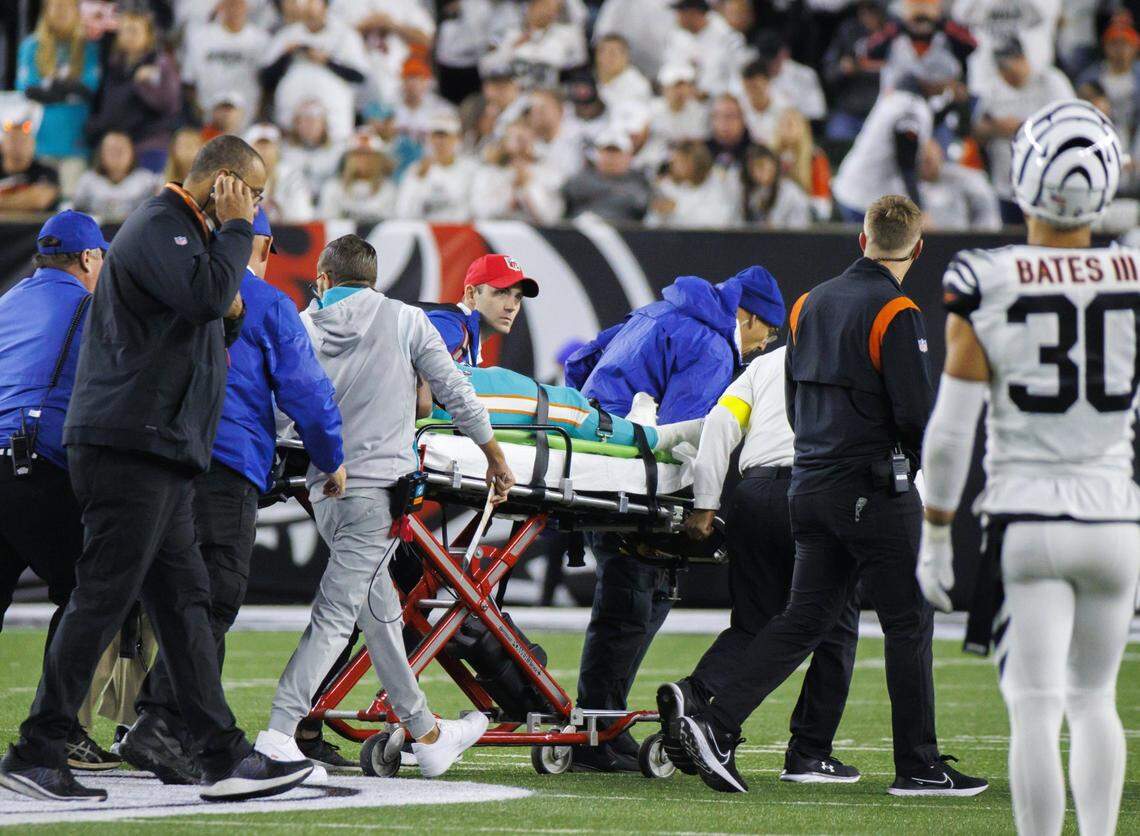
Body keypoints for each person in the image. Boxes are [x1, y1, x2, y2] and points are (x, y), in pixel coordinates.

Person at [0, 135, 316, 803]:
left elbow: (205, 323)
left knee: (184, 603)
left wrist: (227, 305)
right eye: (253, 194)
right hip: (129, 445)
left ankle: (221, 753)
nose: (257, 208)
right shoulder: (159, 223)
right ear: (225, 182)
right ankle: (38, 748)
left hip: (161, 448)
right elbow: (206, 300)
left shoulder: (188, 240)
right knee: (104, 595)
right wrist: (234, 237)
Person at [674, 195, 987, 799]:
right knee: (908, 620)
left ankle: (715, 721)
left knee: (805, 619)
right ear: (916, 250)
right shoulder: (897, 310)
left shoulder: (808, 303)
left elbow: (795, 395)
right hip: (871, 485)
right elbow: (915, 413)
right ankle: (919, 766)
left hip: (809, 485)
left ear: (860, 239)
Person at [919, 99, 1138, 836]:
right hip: (1114, 516)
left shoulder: (989, 278)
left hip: (1029, 518)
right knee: (1096, 699)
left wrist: (938, 532)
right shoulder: (1134, 271)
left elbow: (952, 430)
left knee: (1036, 706)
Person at [252, 234, 515, 779]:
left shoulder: (302, 324)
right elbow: (455, 393)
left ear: (323, 279)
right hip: (379, 495)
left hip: (324, 488)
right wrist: (494, 456)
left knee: (380, 615)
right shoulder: (405, 319)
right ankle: (279, 731)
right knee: (336, 614)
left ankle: (427, 734)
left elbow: (282, 408)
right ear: (375, 279)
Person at [121, 207, 344, 785]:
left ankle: (175, 734)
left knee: (170, 597)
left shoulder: (167, 287)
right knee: (211, 600)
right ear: (261, 245)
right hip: (224, 465)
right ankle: (160, 722)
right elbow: (307, 391)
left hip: (157, 460)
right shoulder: (266, 303)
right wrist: (331, 458)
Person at [563, 266, 784, 772]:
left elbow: (581, 363)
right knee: (638, 597)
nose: (760, 347)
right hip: (626, 475)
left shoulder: (658, 310)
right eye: (763, 332)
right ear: (745, 315)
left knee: (629, 596)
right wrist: (691, 505)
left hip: (594, 458)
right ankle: (597, 732)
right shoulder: (710, 344)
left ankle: (601, 723)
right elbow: (685, 434)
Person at [659, 292, 862, 785]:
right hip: (815, 491)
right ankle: (803, 750)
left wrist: (707, 503)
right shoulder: (856, 362)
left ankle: (697, 691)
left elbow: (719, 430)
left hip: (751, 496)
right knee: (832, 622)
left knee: (754, 621)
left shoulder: (764, 366)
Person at [0, 211, 118, 772]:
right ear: (90, 259)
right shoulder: (91, 305)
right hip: (38, 466)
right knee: (90, 592)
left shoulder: (9, 300)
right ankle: (59, 728)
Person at [973, 37, 1074, 225]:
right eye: (1002, 68)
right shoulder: (993, 88)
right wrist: (995, 128)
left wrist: (1021, 127)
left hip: (1049, 184)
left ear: (1023, 59)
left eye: (1010, 66)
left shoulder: (1050, 81)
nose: (1007, 74)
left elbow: (1070, 122)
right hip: (1006, 184)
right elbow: (976, 130)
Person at [84, 7, 181, 173]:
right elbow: (109, 105)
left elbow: (170, 105)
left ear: (148, 35)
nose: (129, 36)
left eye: (134, 30)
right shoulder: (114, 65)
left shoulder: (160, 63)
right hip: (117, 143)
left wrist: (143, 85)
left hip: (149, 144)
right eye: (125, 30)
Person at [832, 73, 937, 221]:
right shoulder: (909, 109)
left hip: (855, 189)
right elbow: (906, 163)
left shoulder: (896, 99)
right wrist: (921, 211)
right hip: (864, 198)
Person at [260, 0, 368, 143]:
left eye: (313, 2)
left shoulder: (345, 34)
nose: (308, 6)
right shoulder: (288, 34)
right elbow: (265, 78)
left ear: (325, 5)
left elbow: (360, 76)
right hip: (291, 124)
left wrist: (327, 61)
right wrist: (287, 55)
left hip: (334, 123)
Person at [15, 0, 101, 164]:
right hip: (40, 145)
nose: (61, 11)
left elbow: (90, 90)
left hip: (77, 145)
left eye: (67, 6)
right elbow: (28, 91)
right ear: (46, 10)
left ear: (76, 11)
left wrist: (51, 88)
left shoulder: (89, 48)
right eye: (56, 5)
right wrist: (69, 88)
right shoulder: (31, 46)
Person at [426, 253, 539, 366]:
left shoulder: (466, 341)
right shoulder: (450, 329)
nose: (511, 307)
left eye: (518, 297)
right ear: (471, 294)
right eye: (501, 292)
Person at [181, 0, 270, 130]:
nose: (235, 9)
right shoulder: (200, 37)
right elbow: (189, 81)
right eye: (231, 4)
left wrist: (258, 114)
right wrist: (198, 113)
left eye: (240, 4)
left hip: (248, 118)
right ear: (221, 5)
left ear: (247, 6)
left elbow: (267, 85)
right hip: (207, 119)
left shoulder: (261, 40)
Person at [395, 110, 477, 222]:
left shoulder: (471, 169)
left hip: (460, 231)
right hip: (425, 233)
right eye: (436, 136)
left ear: (457, 138)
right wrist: (418, 180)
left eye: (445, 136)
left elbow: (476, 209)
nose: (440, 142)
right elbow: (403, 212)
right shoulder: (417, 170)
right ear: (429, 139)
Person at [562, 130, 651, 223]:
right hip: (578, 232)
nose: (611, 158)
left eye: (616, 153)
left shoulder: (639, 182)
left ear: (628, 156)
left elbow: (641, 206)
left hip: (625, 233)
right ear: (598, 155)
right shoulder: (581, 179)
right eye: (607, 152)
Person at [647, 140, 740, 229]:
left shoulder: (717, 183)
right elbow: (650, 224)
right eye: (675, 162)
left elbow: (720, 221)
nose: (675, 166)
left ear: (697, 162)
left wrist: (677, 208)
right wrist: (659, 213)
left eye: (682, 162)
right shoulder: (665, 186)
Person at [1076, 19, 1140, 147]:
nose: (1119, 50)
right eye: (1114, 44)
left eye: (1125, 44)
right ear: (1105, 47)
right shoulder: (1090, 76)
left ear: (1135, 47)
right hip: (1101, 131)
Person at [70, 131, 158, 223]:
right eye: (111, 150)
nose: (116, 155)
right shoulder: (88, 180)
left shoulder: (147, 180)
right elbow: (75, 211)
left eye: (121, 150)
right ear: (100, 153)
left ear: (132, 152)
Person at [917, 138, 1000, 231]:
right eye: (919, 161)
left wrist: (977, 240)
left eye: (928, 160)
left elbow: (987, 213)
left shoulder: (965, 178)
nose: (924, 164)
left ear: (940, 154)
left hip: (963, 239)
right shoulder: (902, 186)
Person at [318, 132, 398, 224]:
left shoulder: (389, 190)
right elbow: (326, 224)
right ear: (347, 158)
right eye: (357, 154)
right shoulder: (333, 188)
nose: (363, 159)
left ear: (379, 160)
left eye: (368, 154)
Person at [0, 104, 60, 215]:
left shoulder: (47, 171)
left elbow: (39, 201)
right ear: (2, 144)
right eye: (13, 140)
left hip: (34, 231)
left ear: (33, 145)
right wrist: (26, 197)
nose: (18, 146)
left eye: (23, 141)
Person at [743, 144, 813, 230]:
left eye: (763, 165)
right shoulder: (753, 192)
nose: (759, 172)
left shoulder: (791, 192)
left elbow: (799, 228)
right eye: (754, 167)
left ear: (774, 165)